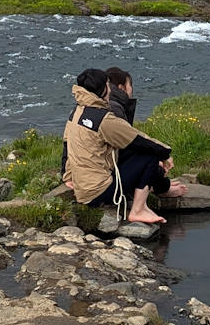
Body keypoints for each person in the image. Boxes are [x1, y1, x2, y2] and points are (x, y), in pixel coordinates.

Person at [62, 67, 186, 223]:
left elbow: (67, 145)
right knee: (150, 156)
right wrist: (165, 154)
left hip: (85, 189)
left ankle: (148, 201)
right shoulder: (103, 119)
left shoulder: (77, 113)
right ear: (102, 90)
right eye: (108, 86)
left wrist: (67, 176)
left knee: (137, 155)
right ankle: (138, 210)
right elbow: (137, 139)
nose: (110, 90)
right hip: (99, 192)